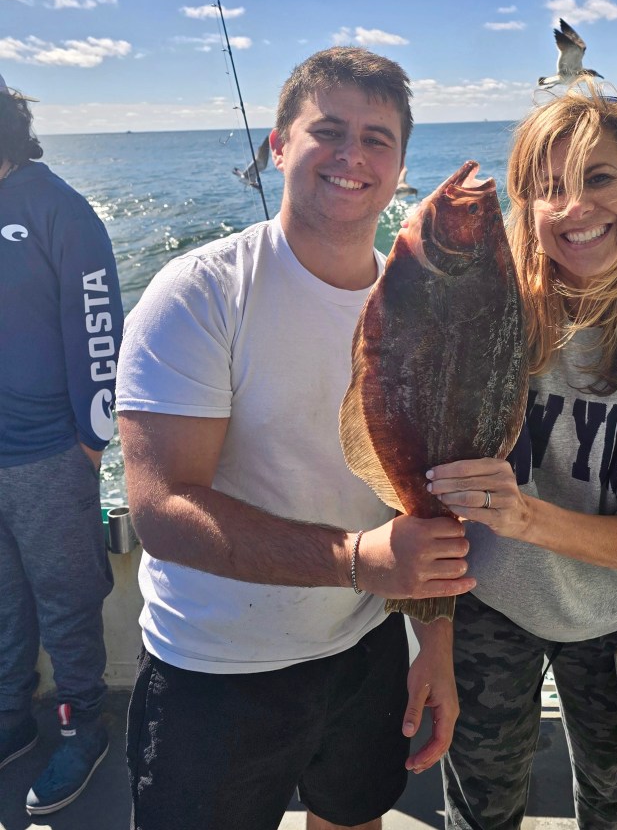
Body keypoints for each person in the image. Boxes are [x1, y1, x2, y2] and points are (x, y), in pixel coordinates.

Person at [115, 47, 476, 830]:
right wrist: (357, 560)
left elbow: (428, 494)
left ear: (402, 165)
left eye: (378, 139)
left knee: (355, 819)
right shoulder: (201, 294)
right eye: (328, 131)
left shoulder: (418, 310)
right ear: (277, 146)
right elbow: (161, 508)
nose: (353, 157)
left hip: (363, 653)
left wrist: (435, 651)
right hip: (215, 667)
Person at [426, 85, 617, 830]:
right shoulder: (479, 317)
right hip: (486, 601)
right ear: (523, 210)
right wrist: (431, 643)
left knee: (616, 801)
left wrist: (523, 515)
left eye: (598, 178)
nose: (575, 208)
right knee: (480, 806)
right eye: (548, 188)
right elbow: (419, 492)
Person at [0, 73, 123, 816]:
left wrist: (89, 445)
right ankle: (11, 716)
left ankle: (82, 722)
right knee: (2, 601)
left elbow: (99, 334)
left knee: (67, 598)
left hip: (49, 454)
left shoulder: (61, 211)